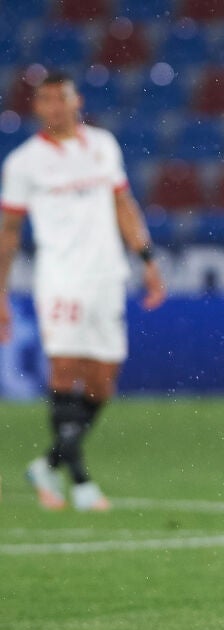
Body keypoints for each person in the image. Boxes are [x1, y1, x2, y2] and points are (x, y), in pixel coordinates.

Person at [0, 71, 166, 512]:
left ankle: (46, 464)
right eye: (45, 99)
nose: (54, 107)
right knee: (63, 369)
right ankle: (81, 479)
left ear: (77, 101)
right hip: (60, 278)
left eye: (61, 98)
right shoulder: (23, 163)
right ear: (36, 106)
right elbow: (9, 232)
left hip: (107, 276)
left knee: (102, 381)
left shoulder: (103, 146)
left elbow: (123, 204)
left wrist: (147, 260)